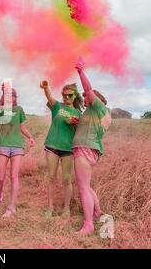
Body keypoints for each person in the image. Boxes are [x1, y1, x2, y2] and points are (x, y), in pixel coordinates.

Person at [73, 57, 111, 234]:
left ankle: (88, 224)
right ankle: (97, 211)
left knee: (82, 188)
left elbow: (87, 89)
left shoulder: (98, 107)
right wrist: (76, 123)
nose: (85, 100)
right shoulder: (97, 113)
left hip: (84, 149)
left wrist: (80, 72)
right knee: (86, 186)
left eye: (86, 99)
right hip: (90, 149)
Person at [40, 80, 83, 218]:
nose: (67, 98)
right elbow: (49, 97)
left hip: (68, 149)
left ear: (75, 96)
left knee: (66, 179)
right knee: (51, 177)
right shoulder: (57, 106)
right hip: (52, 146)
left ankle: (66, 209)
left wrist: (74, 124)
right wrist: (46, 87)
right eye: (64, 95)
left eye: (70, 95)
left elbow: (80, 133)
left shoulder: (78, 113)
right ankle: (50, 208)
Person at [0, 84, 35, 218]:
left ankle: (11, 206)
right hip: (3, 144)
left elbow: (22, 127)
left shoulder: (19, 110)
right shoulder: (0, 109)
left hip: (17, 145)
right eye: (7, 95)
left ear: (15, 98)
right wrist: (3, 92)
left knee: (13, 176)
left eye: (12, 95)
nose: (10, 97)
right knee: (1, 177)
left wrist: (30, 137)